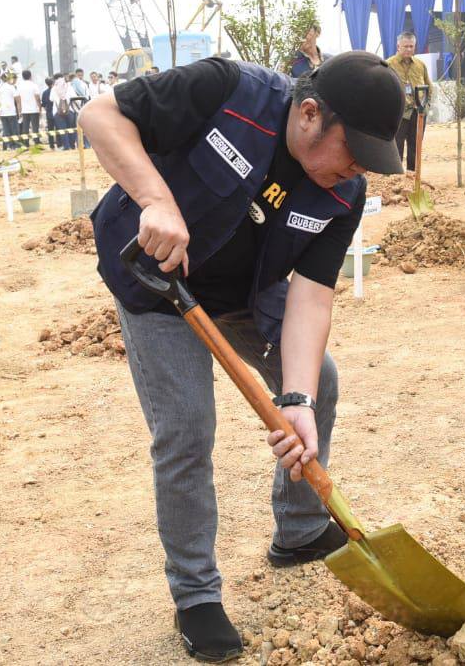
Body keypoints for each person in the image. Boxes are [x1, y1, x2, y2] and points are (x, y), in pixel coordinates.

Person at [81, 51, 404, 662]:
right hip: (157, 281)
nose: (359, 168)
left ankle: (301, 529)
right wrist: (157, 199)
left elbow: (309, 298)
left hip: (244, 294)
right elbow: (100, 116)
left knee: (320, 383)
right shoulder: (228, 92)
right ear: (310, 114)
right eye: (354, 150)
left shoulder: (343, 194)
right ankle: (196, 595)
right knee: (186, 431)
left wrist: (298, 401)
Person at [385, 33, 431, 174]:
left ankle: (413, 176)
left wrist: (426, 106)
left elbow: (429, 87)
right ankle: (396, 177)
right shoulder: (388, 64)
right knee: (396, 147)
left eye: (411, 46)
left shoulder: (420, 65)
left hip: (418, 113)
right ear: (398, 46)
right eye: (405, 46)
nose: (409, 49)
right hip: (398, 114)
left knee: (415, 147)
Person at [17, 69, 42, 147]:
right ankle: (36, 143)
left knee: (25, 128)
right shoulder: (34, 85)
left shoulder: (19, 86)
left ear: (22, 76)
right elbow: (37, 98)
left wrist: (19, 110)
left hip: (24, 110)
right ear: (30, 76)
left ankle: (26, 144)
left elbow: (19, 100)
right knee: (35, 128)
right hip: (34, 110)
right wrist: (40, 108)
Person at [0, 72, 19, 150]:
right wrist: (19, 110)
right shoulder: (11, 87)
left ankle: (7, 146)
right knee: (14, 129)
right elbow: (17, 99)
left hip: (2, 112)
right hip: (11, 111)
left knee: (6, 129)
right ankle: (15, 145)